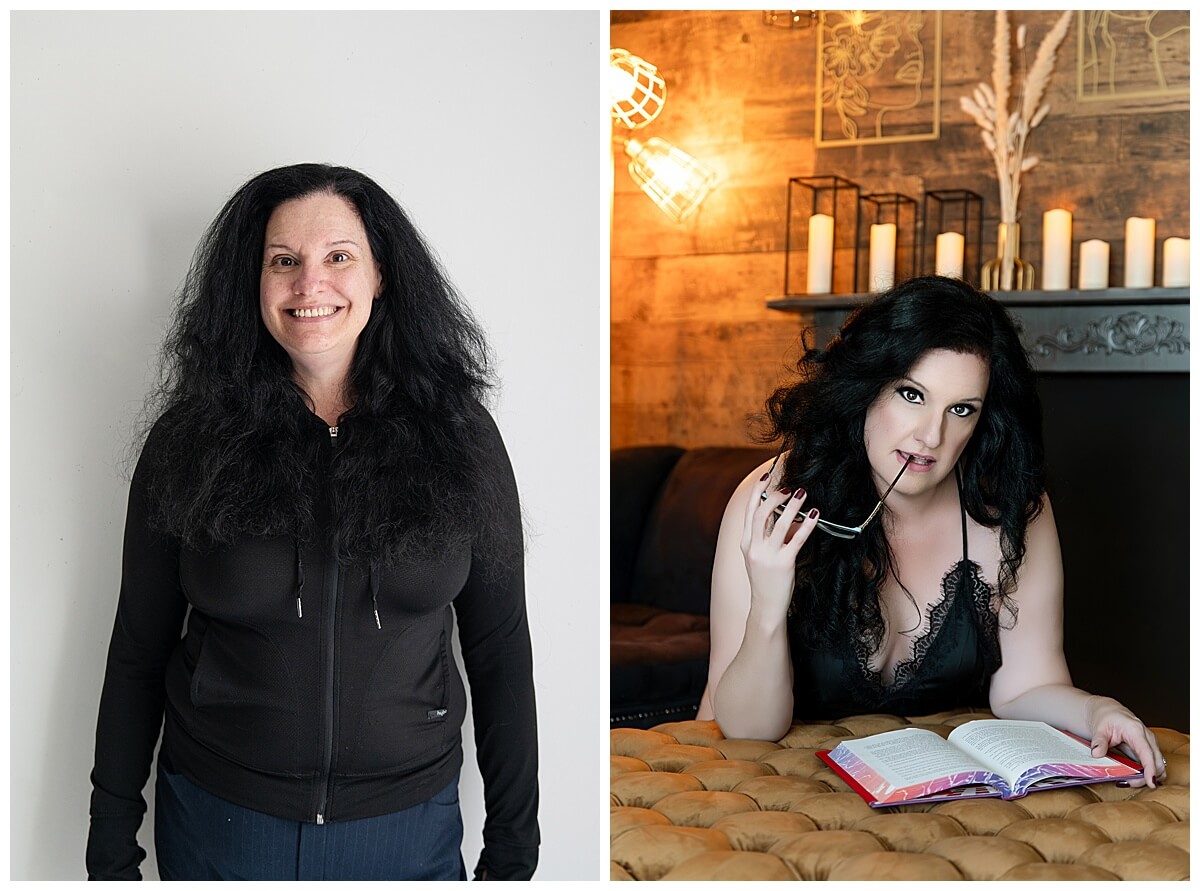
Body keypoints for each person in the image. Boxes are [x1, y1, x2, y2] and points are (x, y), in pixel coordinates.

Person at [86, 163, 538, 880]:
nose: (310, 284)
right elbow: (139, 645)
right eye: (283, 261)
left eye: (338, 257)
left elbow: (499, 644)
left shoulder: (459, 435)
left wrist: (515, 846)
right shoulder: (189, 439)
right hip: (220, 822)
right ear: (254, 282)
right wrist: (110, 838)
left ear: (380, 276)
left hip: (408, 826)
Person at [696, 275, 1164, 787]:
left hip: (926, 804)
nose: (931, 435)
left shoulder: (1010, 512)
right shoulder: (772, 499)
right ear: (867, 386)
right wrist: (767, 608)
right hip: (768, 787)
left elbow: (1027, 687)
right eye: (911, 394)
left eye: (960, 409)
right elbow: (745, 731)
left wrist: (1098, 711)